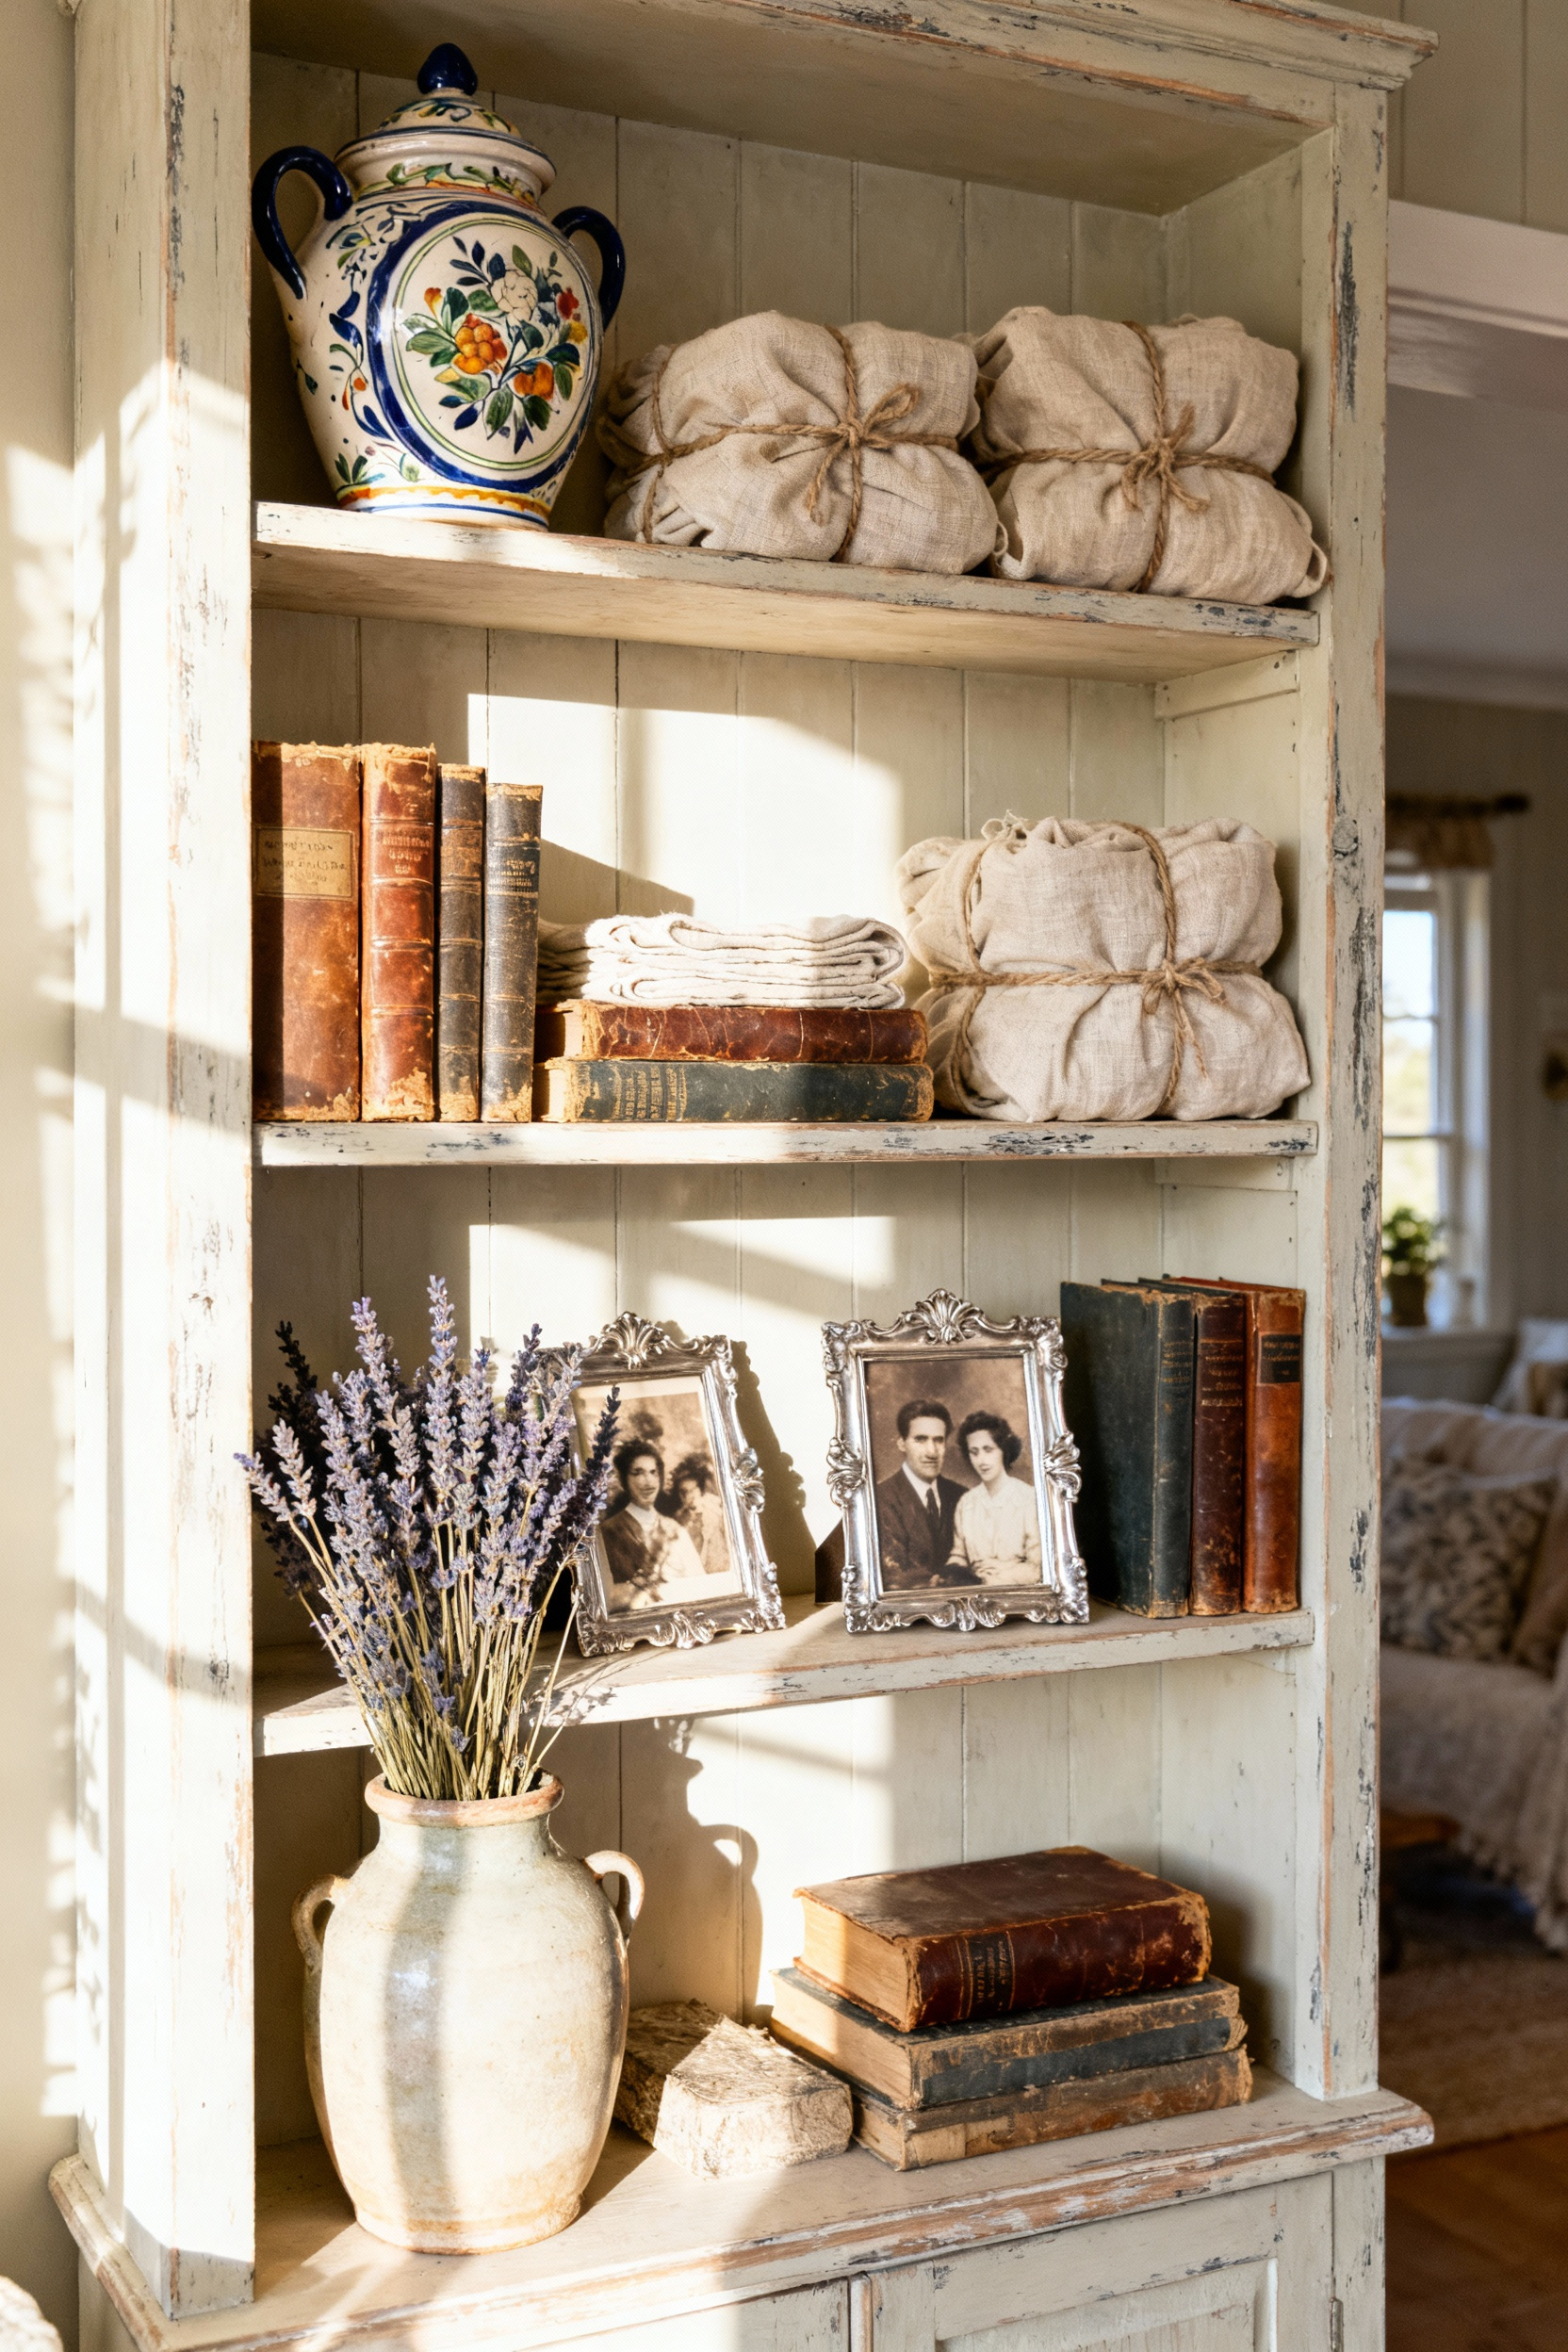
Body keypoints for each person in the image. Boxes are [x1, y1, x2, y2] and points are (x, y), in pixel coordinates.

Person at [873, 1398, 977, 1590]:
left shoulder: (964, 1497)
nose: (931, 1451)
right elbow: (893, 1577)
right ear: (902, 1444)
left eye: (939, 1440)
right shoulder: (879, 1500)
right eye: (920, 1440)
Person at [599, 1440, 707, 1608]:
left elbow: (702, 1585)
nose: (648, 1482)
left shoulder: (675, 1529)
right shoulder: (608, 1532)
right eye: (638, 1473)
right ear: (622, 1479)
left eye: (653, 1472)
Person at [948, 1412, 1041, 1584]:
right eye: (974, 1452)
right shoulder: (967, 1503)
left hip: (1018, 1592)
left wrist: (992, 1581)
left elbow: (1038, 1568)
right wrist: (950, 1574)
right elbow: (959, 1554)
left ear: (1003, 1451)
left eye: (988, 1450)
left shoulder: (1029, 1498)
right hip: (975, 1594)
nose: (981, 1460)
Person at [672, 1453, 730, 1574]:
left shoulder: (716, 1511)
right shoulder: (679, 1519)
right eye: (684, 1492)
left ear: (700, 1489)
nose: (689, 1496)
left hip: (719, 1568)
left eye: (692, 1490)